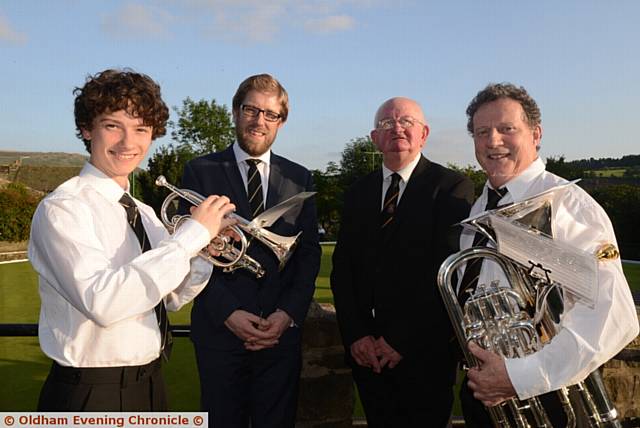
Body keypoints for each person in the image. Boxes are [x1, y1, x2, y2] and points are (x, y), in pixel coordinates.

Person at [28, 69, 237, 411]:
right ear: (86, 129)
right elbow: (104, 303)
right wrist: (189, 238)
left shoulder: (144, 212)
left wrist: (202, 252)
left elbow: (168, 296)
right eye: (113, 126)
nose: (129, 143)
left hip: (151, 385)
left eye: (141, 129)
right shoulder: (63, 208)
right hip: (92, 394)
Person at [459, 82, 639, 426]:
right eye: (482, 132)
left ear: (535, 134)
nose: (493, 141)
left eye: (507, 129)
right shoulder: (482, 206)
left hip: (549, 393)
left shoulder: (567, 205)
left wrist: (520, 376)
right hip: (485, 392)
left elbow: (613, 315)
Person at [181, 73, 321, 428]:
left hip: (279, 338)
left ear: (281, 122)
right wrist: (228, 313)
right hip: (219, 334)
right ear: (235, 112)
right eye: (251, 110)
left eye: (270, 114)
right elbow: (188, 253)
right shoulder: (200, 171)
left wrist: (286, 314)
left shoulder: (300, 178)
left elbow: (308, 255)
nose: (260, 121)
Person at [330, 97, 475, 427]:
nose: (397, 128)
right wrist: (357, 336)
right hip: (368, 359)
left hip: (425, 355)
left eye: (406, 121)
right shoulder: (357, 193)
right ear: (374, 138)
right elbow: (343, 270)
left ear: (423, 134)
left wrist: (400, 340)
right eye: (387, 124)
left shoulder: (452, 188)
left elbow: (447, 272)